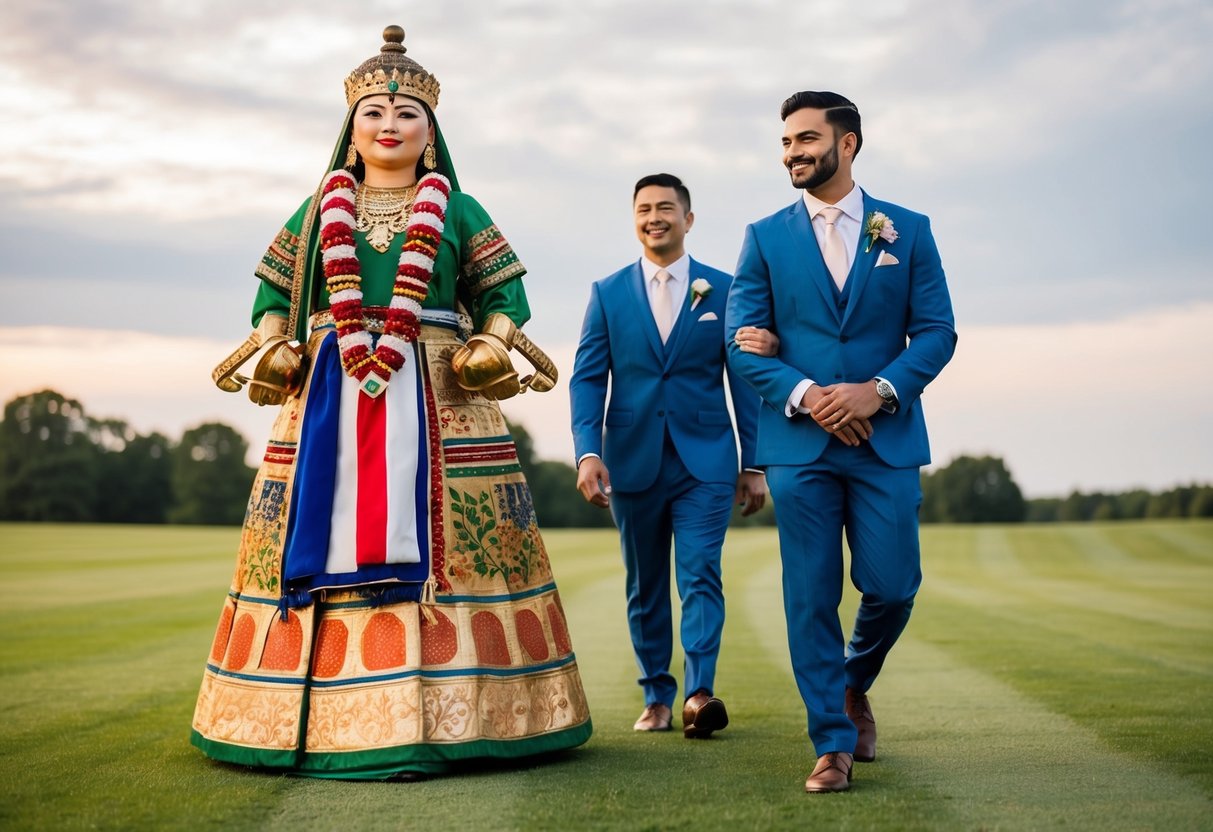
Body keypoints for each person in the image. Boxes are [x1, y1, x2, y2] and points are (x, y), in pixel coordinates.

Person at [192, 26, 591, 779]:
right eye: (373, 111)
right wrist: (275, 342)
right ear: (350, 131)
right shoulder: (314, 213)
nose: (388, 124)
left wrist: (493, 343)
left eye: (406, 114)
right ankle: (306, 723)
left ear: (430, 134)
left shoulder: (460, 207)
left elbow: (506, 295)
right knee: (312, 531)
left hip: (442, 389)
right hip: (327, 394)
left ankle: (466, 718)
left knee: (456, 545)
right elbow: (274, 296)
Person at [725, 91, 956, 792]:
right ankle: (830, 740)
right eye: (785, 142)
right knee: (810, 594)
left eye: (804, 139)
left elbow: (938, 332)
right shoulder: (763, 237)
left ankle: (853, 682)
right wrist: (811, 397)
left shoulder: (906, 231)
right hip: (801, 447)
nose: (791, 152)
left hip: (885, 442)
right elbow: (742, 344)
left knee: (892, 587)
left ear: (847, 143)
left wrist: (876, 391)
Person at [569, 173, 765, 737]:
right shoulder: (607, 293)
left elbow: (744, 382)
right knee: (645, 582)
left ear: (688, 219)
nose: (655, 217)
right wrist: (587, 453)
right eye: (644, 209)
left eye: (666, 208)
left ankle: (699, 695)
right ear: (635, 219)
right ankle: (657, 694)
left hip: (706, 461)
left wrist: (754, 464)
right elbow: (587, 379)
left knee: (701, 570)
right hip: (631, 461)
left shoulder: (724, 289)